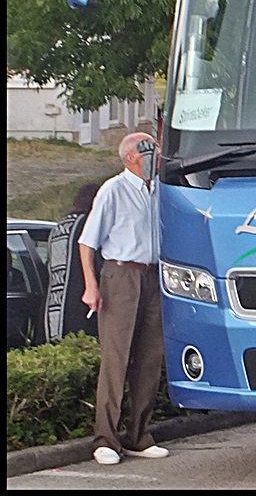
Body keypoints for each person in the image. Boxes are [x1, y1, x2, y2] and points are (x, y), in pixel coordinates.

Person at [79, 132, 169, 466]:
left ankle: (139, 435)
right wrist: (91, 286)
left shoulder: (160, 189)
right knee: (116, 358)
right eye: (150, 150)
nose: (156, 156)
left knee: (149, 357)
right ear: (132, 156)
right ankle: (105, 438)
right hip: (120, 275)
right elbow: (87, 243)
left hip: (153, 274)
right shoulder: (113, 190)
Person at [42, 181, 103, 343]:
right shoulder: (88, 225)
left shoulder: (60, 226)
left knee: (57, 343)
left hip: (54, 298)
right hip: (80, 295)